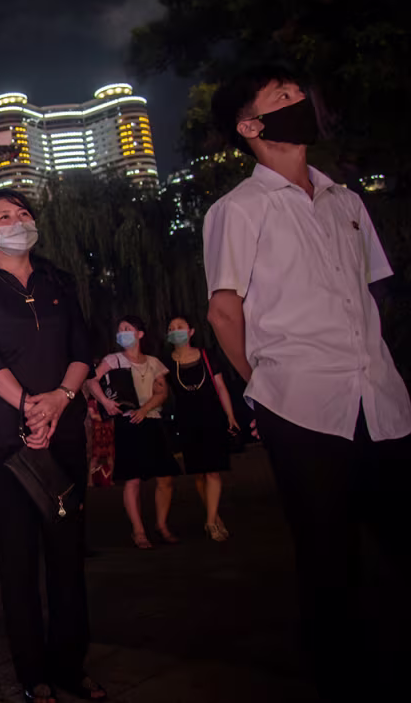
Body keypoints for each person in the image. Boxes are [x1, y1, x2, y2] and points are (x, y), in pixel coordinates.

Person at [204, 64, 411, 701]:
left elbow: (374, 290)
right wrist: (263, 387)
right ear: (251, 126)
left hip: (379, 395)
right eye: (283, 97)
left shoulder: (347, 201)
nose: (302, 101)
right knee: (328, 560)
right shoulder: (237, 209)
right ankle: (342, 679)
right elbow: (223, 312)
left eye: (299, 93)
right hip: (302, 402)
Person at [0, 188, 103, 703]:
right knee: (17, 559)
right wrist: (28, 407)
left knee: (67, 556)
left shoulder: (58, 280)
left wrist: (59, 401)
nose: (18, 221)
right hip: (6, 438)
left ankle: (70, 664)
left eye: (23, 213)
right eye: (5, 216)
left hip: (61, 431)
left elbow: (81, 348)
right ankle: (32, 671)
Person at [87, 316, 180, 549]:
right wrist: (105, 402)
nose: (122, 333)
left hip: (152, 421)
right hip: (127, 423)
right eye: (119, 330)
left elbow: (162, 392)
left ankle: (162, 525)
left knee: (166, 477)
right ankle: (138, 531)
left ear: (140, 334)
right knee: (133, 480)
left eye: (127, 329)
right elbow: (91, 381)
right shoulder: (113, 360)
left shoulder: (153, 362)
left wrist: (145, 409)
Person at [165, 315, 240, 541]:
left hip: (212, 417)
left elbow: (221, 386)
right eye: (171, 328)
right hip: (187, 421)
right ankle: (214, 517)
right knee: (199, 473)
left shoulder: (208, 355)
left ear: (191, 331)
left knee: (214, 470)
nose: (175, 330)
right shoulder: (166, 363)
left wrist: (230, 415)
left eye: (180, 327)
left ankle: (210, 522)